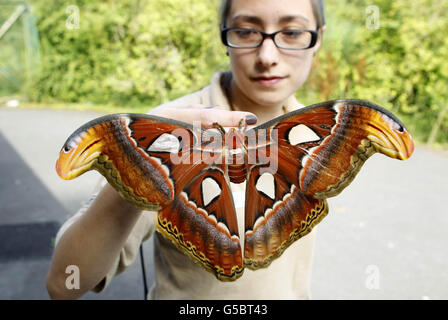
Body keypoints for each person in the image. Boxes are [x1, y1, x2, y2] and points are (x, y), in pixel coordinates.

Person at [46, 0, 326, 299]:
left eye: (292, 32)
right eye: (245, 31)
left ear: (317, 38)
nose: (267, 56)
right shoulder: (170, 128)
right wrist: (137, 170)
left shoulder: (318, 127)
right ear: (224, 37)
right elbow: (64, 284)